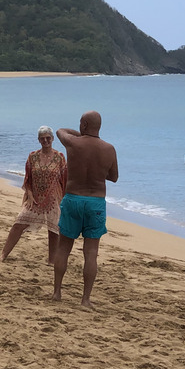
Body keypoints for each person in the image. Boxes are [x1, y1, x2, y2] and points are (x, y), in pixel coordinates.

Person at [52, 110, 118, 308]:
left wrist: (81, 136)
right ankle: (85, 299)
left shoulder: (73, 143)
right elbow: (113, 177)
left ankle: (57, 292)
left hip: (73, 198)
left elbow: (60, 131)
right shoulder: (109, 149)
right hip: (95, 202)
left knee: (63, 247)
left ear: (83, 125)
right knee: (91, 252)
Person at [1, 126, 67, 263]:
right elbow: (28, 179)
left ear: (53, 139)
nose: (45, 140)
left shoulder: (60, 157)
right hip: (34, 199)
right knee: (18, 223)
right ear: (38, 140)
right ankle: (3, 255)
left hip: (53, 200)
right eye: (42, 138)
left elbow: (65, 180)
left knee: (54, 230)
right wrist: (29, 196)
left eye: (48, 138)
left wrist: (65, 200)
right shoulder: (33, 156)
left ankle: (52, 261)